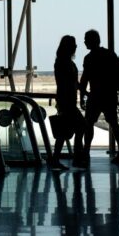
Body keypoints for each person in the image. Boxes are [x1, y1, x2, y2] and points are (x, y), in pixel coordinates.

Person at [78, 29, 119, 166]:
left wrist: (82, 96)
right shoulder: (110, 54)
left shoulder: (89, 58)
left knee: (89, 124)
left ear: (91, 41)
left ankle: (86, 152)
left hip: (95, 96)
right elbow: (116, 75)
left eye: (86, 39)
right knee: (114, 123)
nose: (84, 42)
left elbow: (84, 79)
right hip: (109, 95)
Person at [50, 35, 80, 171]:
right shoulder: (65, 63)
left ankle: (56, 159)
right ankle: (77, 157)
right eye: (74, 44)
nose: (76, 46)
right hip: (68, 102)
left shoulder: (61, 62)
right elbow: (70, 83)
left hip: (66, 101)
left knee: (63, 133)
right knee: (81, 127)